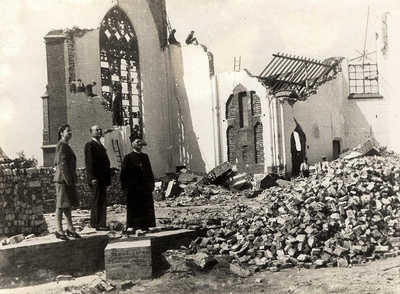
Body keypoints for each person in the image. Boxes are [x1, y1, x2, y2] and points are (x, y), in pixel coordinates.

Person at [120, 136, 156, 231]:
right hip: (133, 188)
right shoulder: (128, 157)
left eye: (140, 142)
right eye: (137, 142)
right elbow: (124, 174)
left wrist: (151, 183)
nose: (139, 144)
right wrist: (125, 187)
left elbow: (149, 171)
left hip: (144, 187)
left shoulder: (145, 157)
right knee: (134, 206)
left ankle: (145, 225)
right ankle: (133, 225)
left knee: (145, 206)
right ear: (132, 144)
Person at [53, 125, 81, 240]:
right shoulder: (62, 145)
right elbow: (62, 163)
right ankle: (59, 230)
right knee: (60, 205)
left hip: (65, 179)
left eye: (71, 130)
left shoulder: (65, 145)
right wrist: (68, 179)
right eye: (67, 131)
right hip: (62, 180)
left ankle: (70, 229)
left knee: (67, 205)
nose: (70, 132)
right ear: (61, 133)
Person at [84, 125, 111, 231]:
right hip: (96, 179)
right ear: (91, 132)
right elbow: (89, 163)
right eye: (96, 130)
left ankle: (101, 223)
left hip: (102, 179)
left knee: (102, 201)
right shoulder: (90, 145)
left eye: (100, 130)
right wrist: (92, 178)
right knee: (97, 201)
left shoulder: (100, 145)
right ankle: (97, 224)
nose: (99, 131)